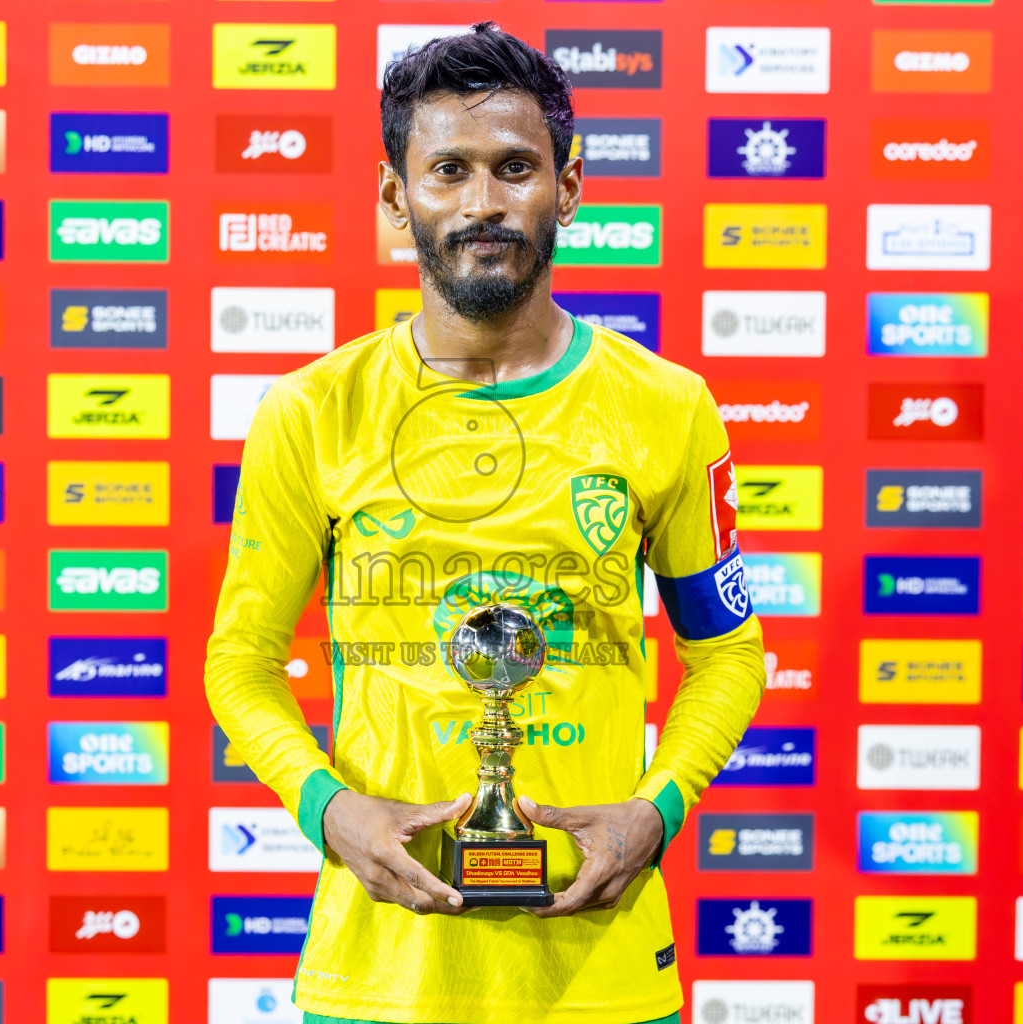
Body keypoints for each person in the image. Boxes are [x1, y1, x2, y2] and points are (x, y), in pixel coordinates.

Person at [205, 22, 766, 1024]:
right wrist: (330, 812)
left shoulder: (668, 406)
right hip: (382, 977)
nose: (483, 203)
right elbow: (239, 663)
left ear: (569, 185)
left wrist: (658, 810)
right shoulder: (312, 411)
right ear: (396, 195)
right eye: (448, 170)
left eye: (515, 167)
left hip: (600, 975)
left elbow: (727, 653)